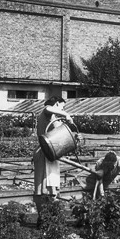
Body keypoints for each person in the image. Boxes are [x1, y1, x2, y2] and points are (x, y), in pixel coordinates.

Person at [33, 96, 74, 226]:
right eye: (62, 106)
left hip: (51, 153)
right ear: (57, 103)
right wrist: (66, 114)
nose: (63, 109)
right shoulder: (47, 113)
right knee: (43, 187)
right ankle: (43, 218)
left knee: (52, 187)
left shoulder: (53, 118)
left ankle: (48, 217)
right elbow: (48, 108)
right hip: (44, 152)